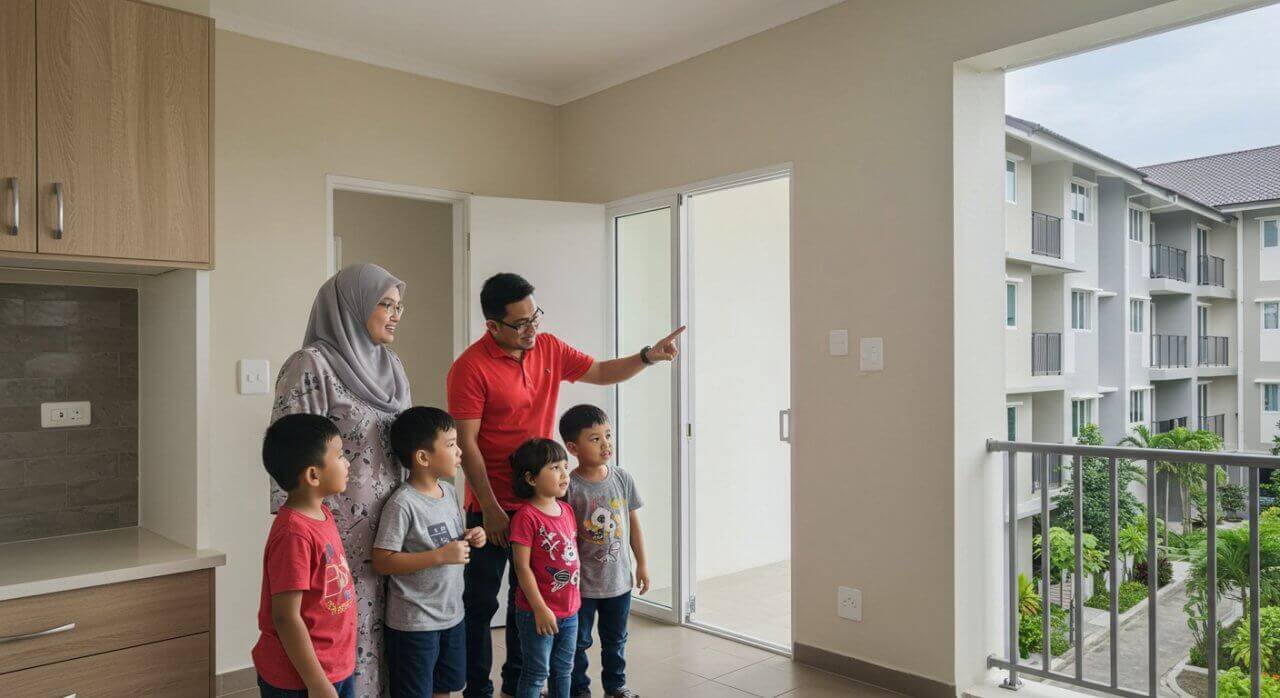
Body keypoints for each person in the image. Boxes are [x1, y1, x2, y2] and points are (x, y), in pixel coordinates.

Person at [448, 272, 683, 698]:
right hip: (490, 506)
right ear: (493, 326)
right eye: (520, 324)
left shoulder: (550, 348)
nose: (531, 329)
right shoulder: (470, 367)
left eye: (534, 316)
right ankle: (477, 690)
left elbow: (603, 370)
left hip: (538, 506)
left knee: (527, 602)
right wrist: (492, 507)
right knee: (479, 606)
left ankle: (519, 686)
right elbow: (467, 442)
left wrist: (649, 356)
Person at [272, 263, 412, 696]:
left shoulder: (392, 366)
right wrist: (304, 536)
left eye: (398, 306)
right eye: (385, 304)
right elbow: (291, 456)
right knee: (336, 638)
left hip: (393, 529)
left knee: (388, 637)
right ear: (351, 307)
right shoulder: (310, 365)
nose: (394, 315)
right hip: (333, 538)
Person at [374, 407, 487, 698]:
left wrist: (471, 536)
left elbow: (448, 540)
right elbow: (383, 560)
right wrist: (439, 556)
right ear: (423, 458)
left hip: (452, 615)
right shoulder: (403, 504)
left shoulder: (448, 492)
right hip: (414, 623)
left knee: (445, 688)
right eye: (451, 445)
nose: (460, 451)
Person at [253, 414, 357, 698]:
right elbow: (286, 617)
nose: (347, 463)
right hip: (300, 679)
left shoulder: (322, 514)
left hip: (334, 667)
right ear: (313, 475)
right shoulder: (294, 534)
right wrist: (317, 682)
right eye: (339, 455)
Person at [559, 405, 646, 698]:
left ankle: (616, 687)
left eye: (608, 435)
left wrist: (642, 564)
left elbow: (633, 524)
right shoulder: (568, 486)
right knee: (578, 642)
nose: (606, 443)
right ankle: (578, 689)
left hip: (619, 581)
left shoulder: (622, 478)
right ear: (573, 447)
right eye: (594, 439)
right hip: (581, 586)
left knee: (616, 640)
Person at [507, 439, 581, 698]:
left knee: (564, 670)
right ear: (531, 478)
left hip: (570, 611)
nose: (564, 474)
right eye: (554, 468)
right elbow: (522, 568)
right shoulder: (525, 517)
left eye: (565, 466)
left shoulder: (567, 510)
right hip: (536, 612)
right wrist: (540, 609)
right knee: (536, 673)